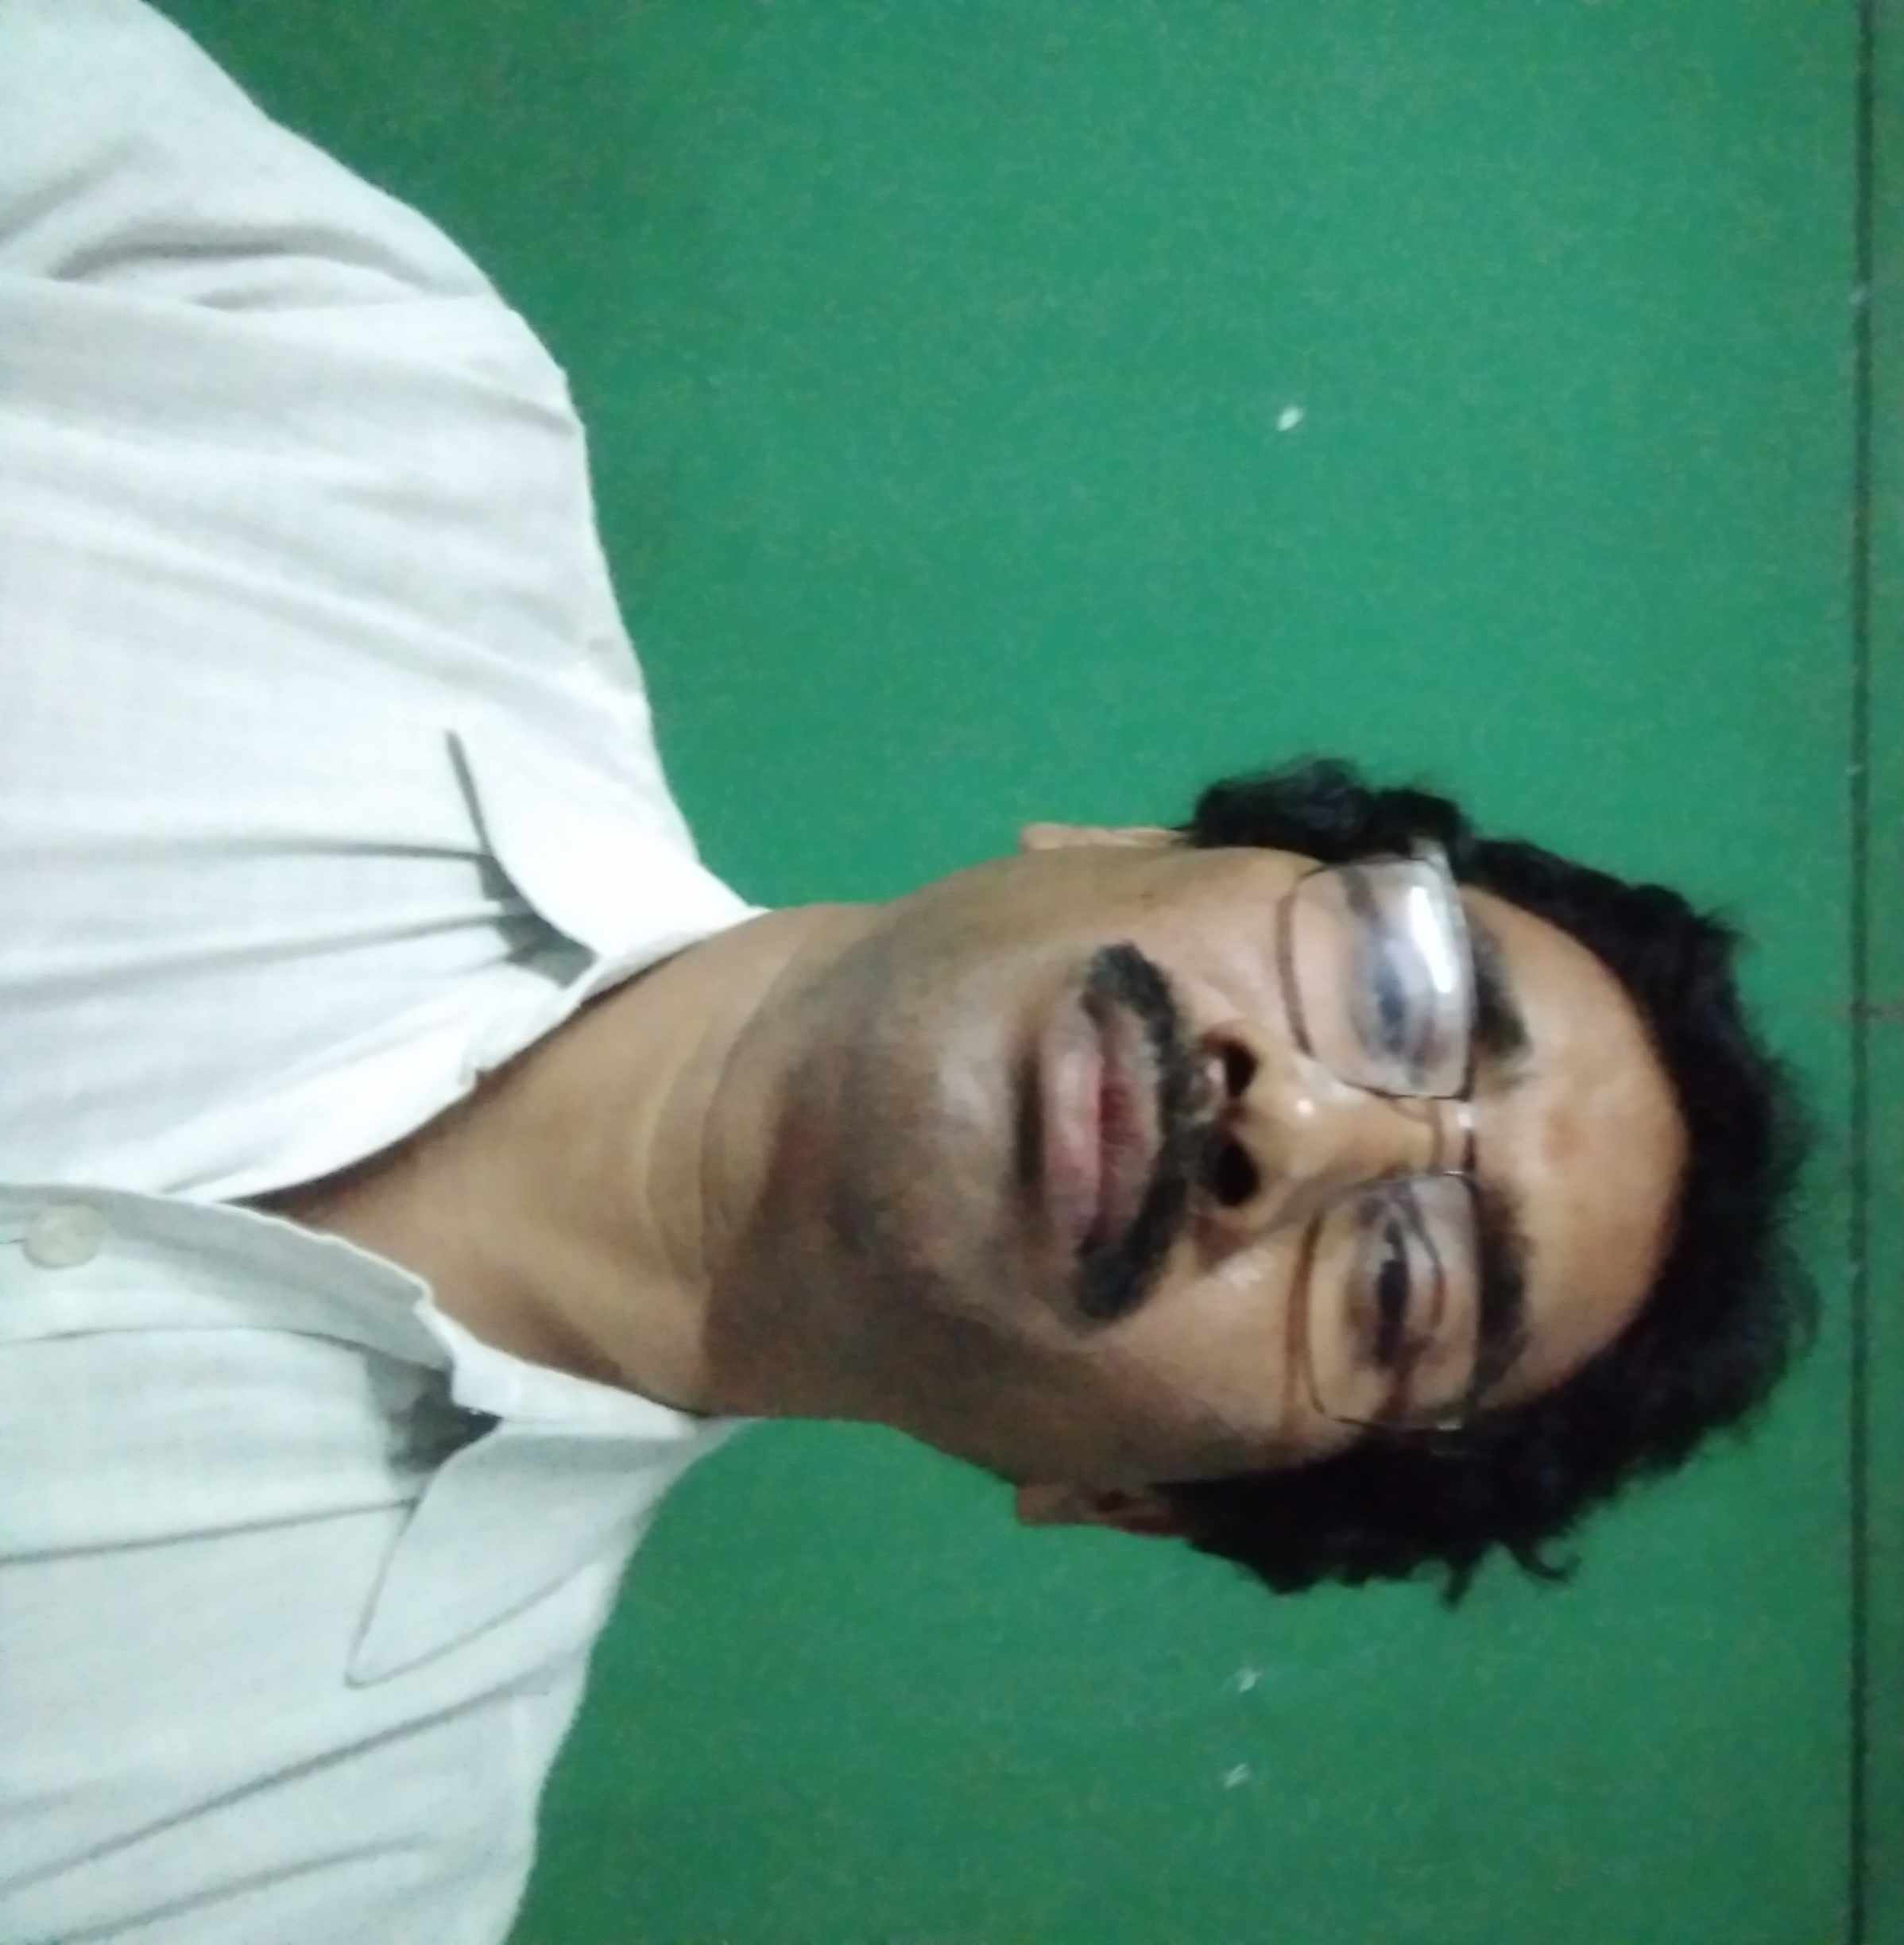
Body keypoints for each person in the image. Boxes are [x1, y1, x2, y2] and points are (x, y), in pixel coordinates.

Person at [0, 5, 1808, 1940]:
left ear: (1132, 1504)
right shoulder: (350, 403)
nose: (1293, 1120)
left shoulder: (319, 1874)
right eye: (1397, 998)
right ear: (1115, 844)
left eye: (1396, 1289)